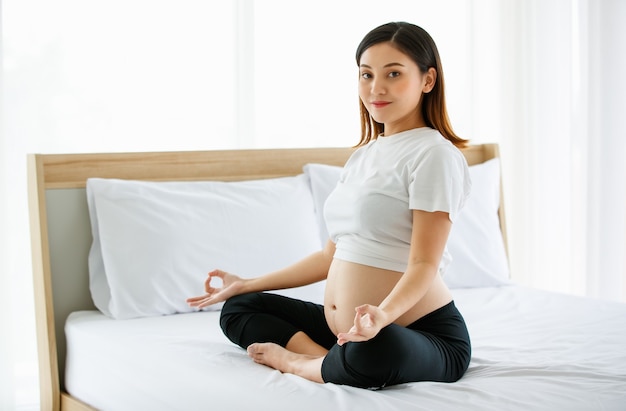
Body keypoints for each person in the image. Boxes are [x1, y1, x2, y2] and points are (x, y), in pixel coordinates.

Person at [187, 21, 472, 390]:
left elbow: (423, 265)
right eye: (366, 75)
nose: (376, 88)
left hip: (417, 331)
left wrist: (382, 316)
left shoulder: (434, 155)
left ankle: (301, 364)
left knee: (376, 348)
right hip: (351, 330)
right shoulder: (363, 157)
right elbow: (329, 257)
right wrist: (245, 282)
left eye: (394, 73)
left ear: (428, 80)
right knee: (241, 307)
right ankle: (323, 359)